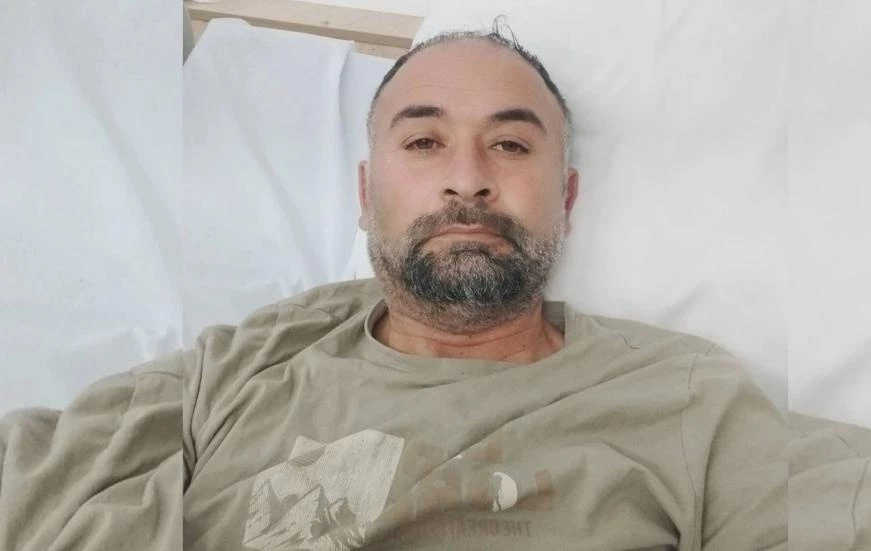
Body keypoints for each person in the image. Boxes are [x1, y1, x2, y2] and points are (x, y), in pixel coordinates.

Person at [3, 26, 789, 551]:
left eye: (510, 144)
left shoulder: (685, 397)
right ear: (363, 194)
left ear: (567, 198)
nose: (467, 179)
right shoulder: (247, 359)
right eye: (423, 141)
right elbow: (40, 475)